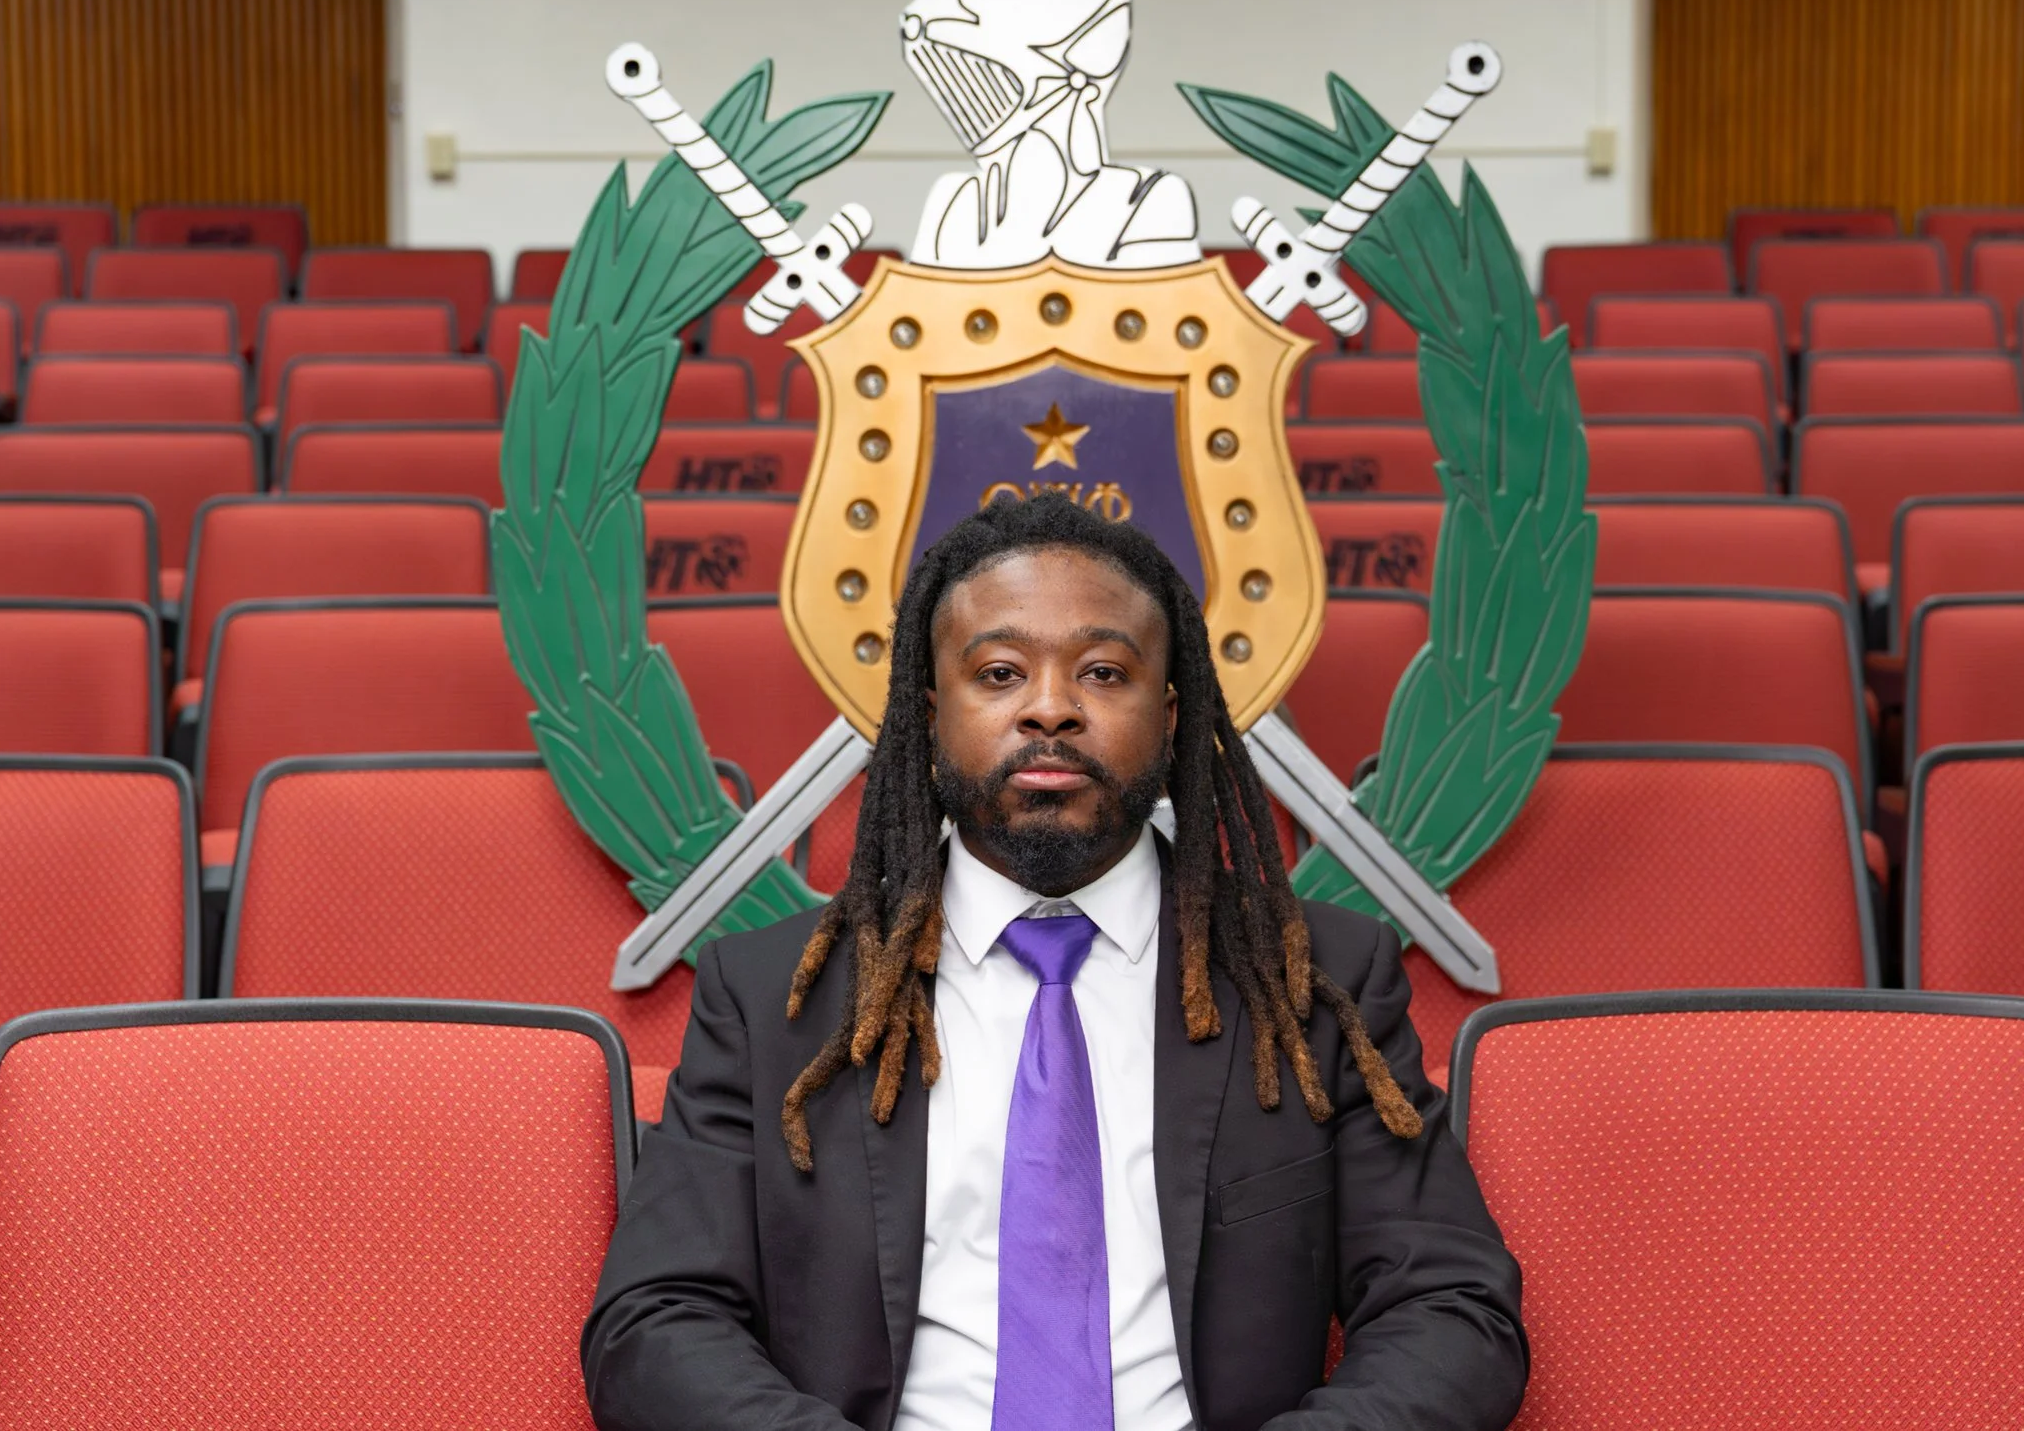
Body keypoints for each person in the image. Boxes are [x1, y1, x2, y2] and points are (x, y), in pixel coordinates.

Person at [583, 493, 1527, 1431]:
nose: (1049, 709)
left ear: (1170, 716)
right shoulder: (768, 1000)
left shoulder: (1314, 981)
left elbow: (1451, 1311)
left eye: (1103, 673)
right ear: (930, 715)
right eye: (998, 673)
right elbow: (656, 1322)